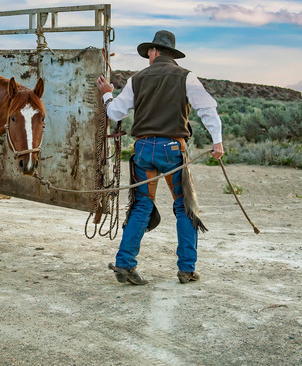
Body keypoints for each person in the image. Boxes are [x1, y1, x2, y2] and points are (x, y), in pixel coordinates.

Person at [96, 30, 223, 285]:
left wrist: (107, 93)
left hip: (143, 149)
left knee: (142, 205)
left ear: (154, 52)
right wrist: (217, 141)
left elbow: (115, 112)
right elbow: (207, 108)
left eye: (148, 54)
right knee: (184, 206)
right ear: (171, 54)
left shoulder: (137, 79)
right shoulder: (187, 77)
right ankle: (186, 269)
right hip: (173, 149)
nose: (148, 58)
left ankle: (125, 264)